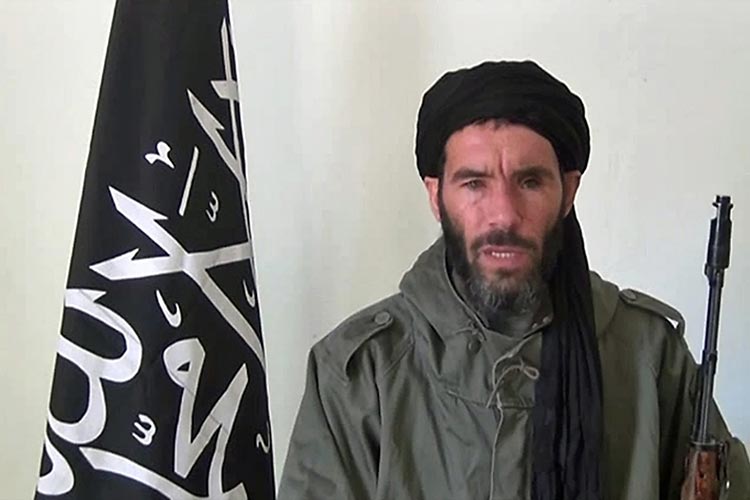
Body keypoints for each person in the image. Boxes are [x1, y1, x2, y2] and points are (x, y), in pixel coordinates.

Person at [277, 60, 750, 500]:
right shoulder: (360, 373)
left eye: (529, 182)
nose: (503, 214)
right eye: (474, 183)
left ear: (568, 191)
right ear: (436, 196)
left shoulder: (650, 356)